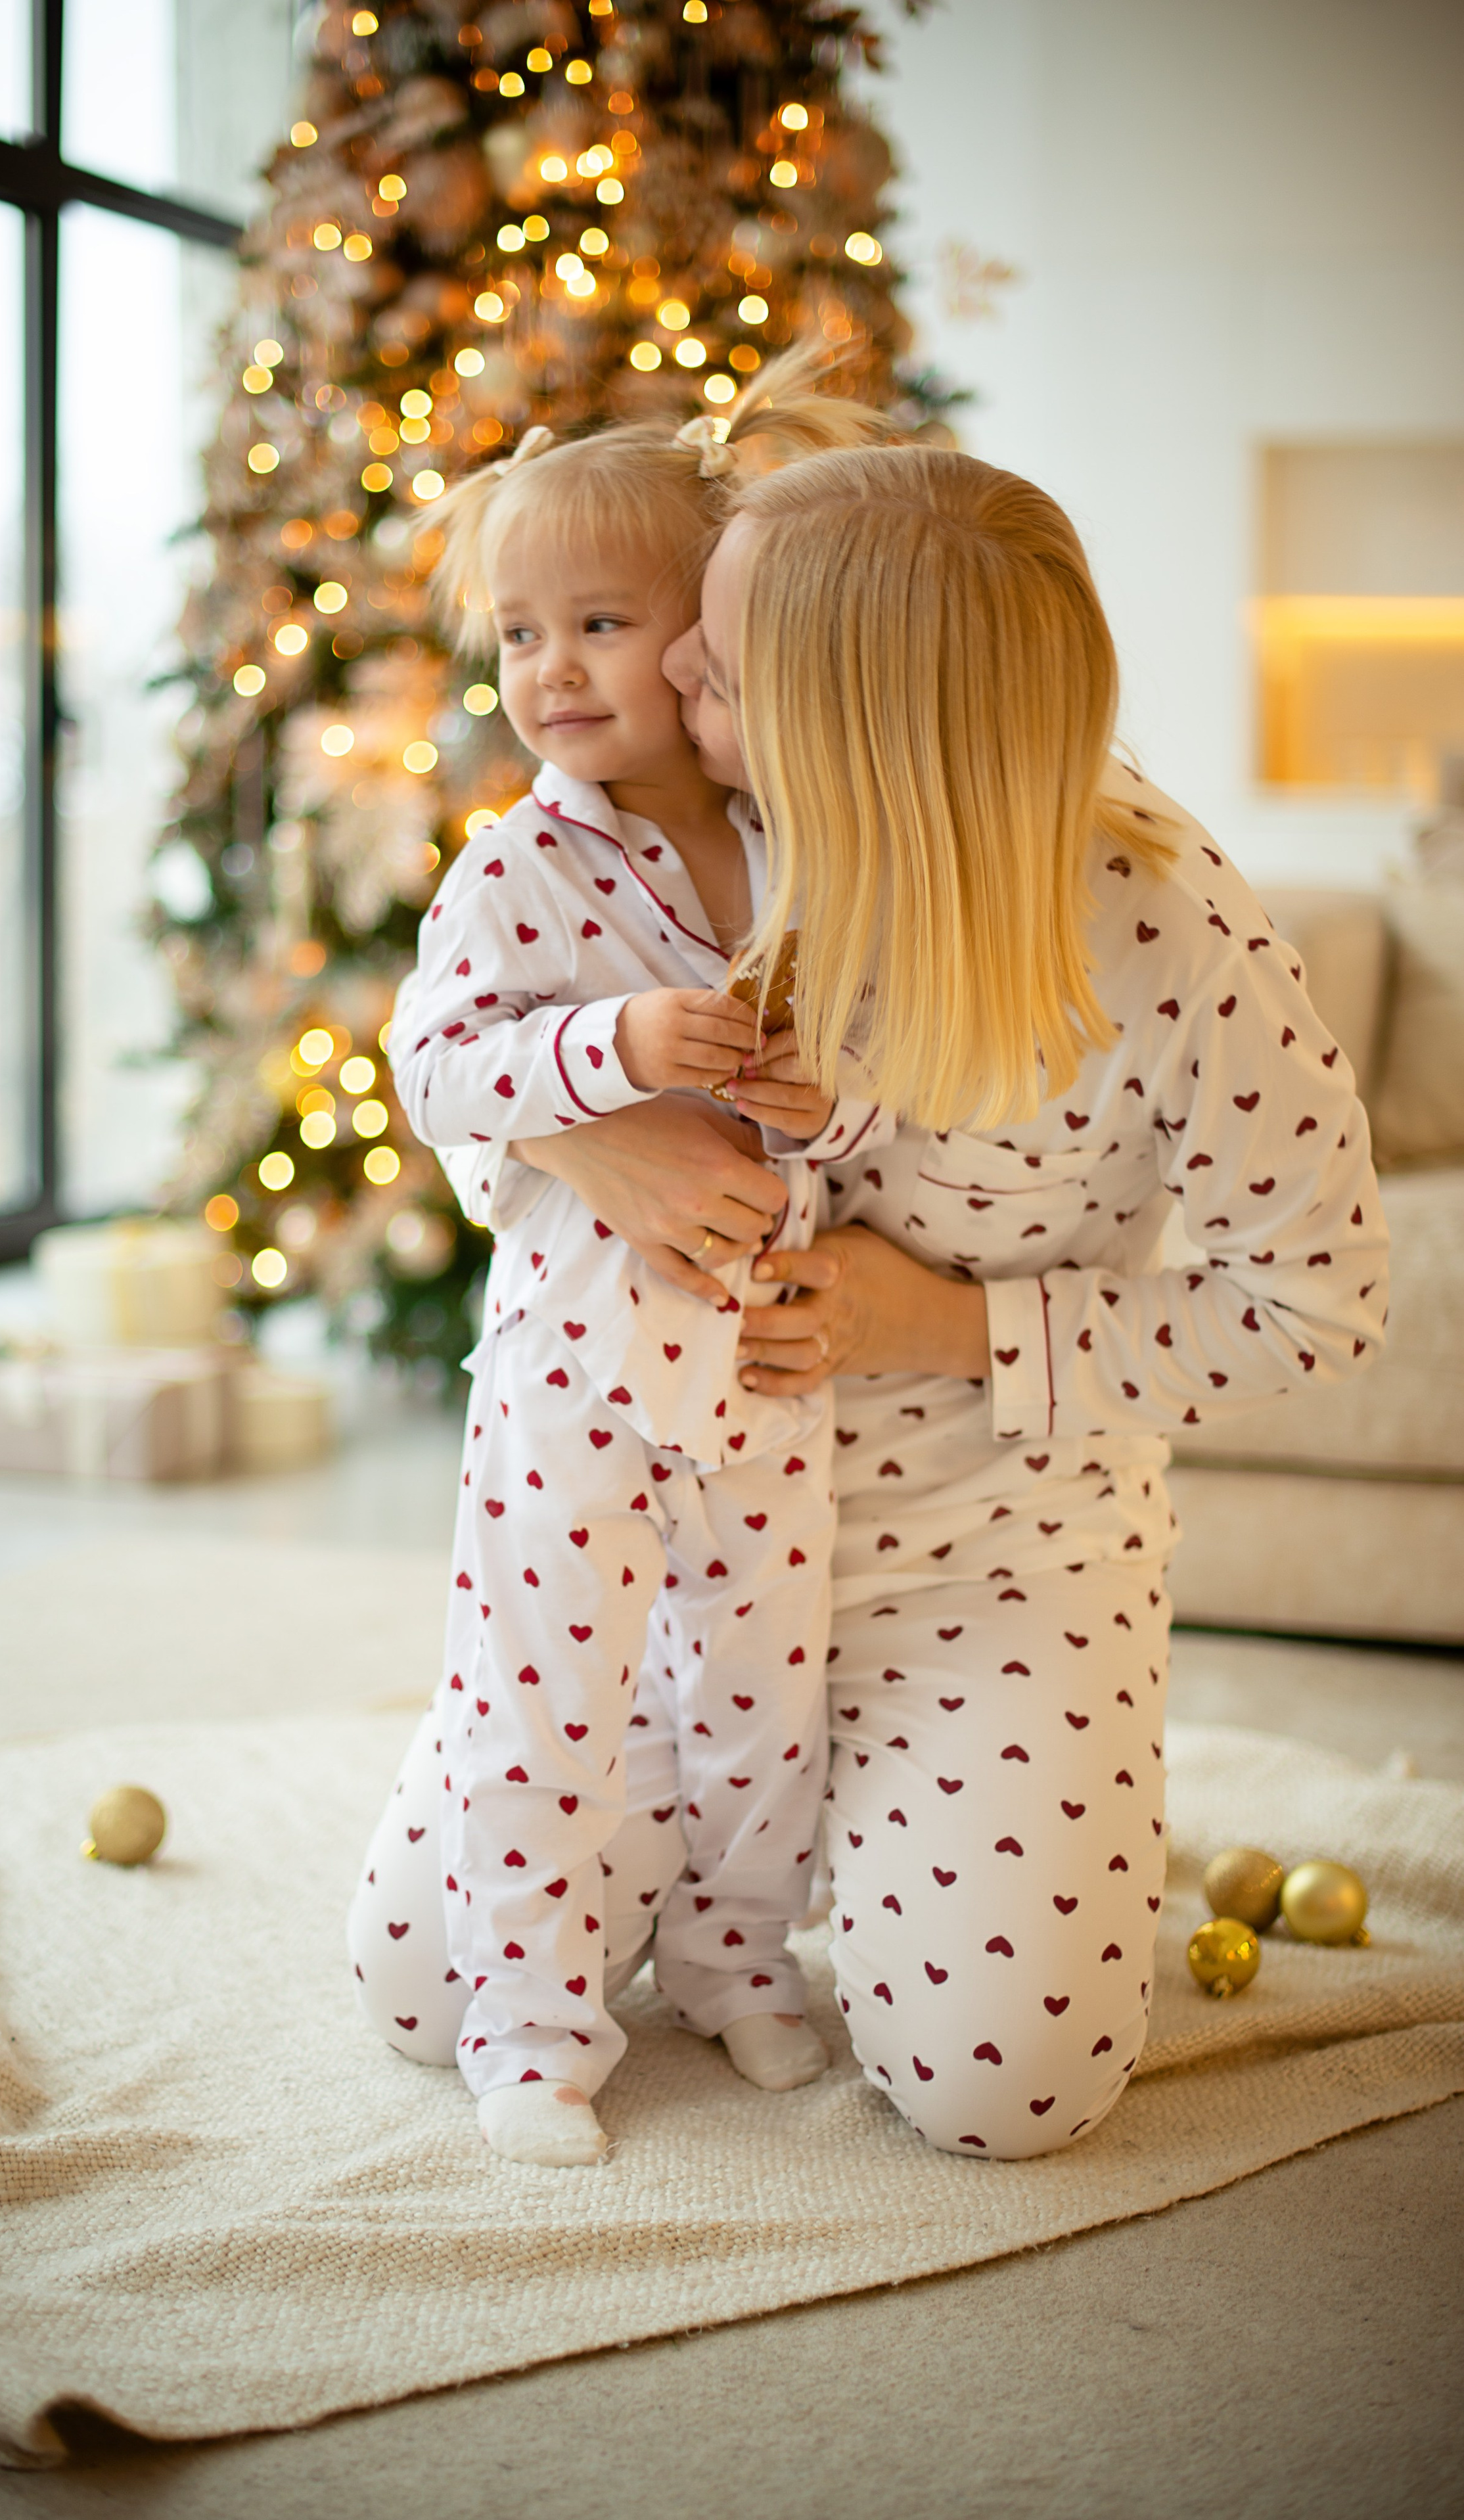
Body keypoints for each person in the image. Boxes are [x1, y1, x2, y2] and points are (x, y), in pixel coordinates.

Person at [364, 440, 1388, 2161]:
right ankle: (763, 1843)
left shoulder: (1165, 933)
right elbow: (476, 1074)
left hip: (985, 1543)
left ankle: (940, 1812)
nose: (673, 660)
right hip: (684, 1520)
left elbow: (1320, 1299)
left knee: (1010, 2085)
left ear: (856, 727)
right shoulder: (689, 837)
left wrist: (945, 1323)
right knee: (417, 1982)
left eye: (721, 655)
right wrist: (598, 1143)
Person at [350, 372, 890, 2168]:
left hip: (762, 1384)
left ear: (708, 632)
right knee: (542, 1699)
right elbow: (434, 1065)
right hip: (570, 1385)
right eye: (521, 631)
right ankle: (527, 2014)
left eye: (602, 621)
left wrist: (830, 1099)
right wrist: (615, 1047)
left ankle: (737, 1960)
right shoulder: (514, 868)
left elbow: (876, 1086)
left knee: (760, 1701)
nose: (554, 667)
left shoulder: (798, 843)